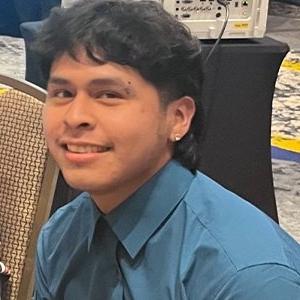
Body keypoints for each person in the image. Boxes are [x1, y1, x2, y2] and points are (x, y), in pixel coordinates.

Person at [33, 0, 300, 298]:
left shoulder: (246, 279)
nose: (75, 116)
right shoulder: (61, 235)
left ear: (178, 118)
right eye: (63, 93)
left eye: (108, 94)